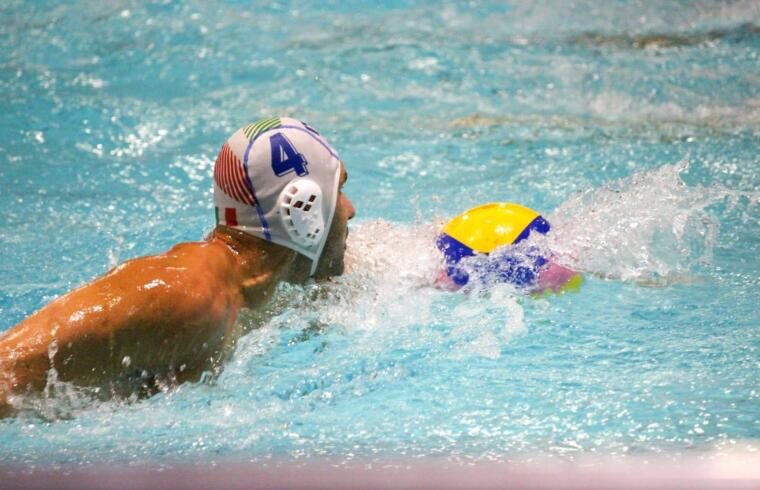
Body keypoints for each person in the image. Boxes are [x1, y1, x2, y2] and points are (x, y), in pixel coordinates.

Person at [0, 117, 355, 418]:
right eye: (338, 190)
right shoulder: (184, 293)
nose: (350, 209)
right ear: (304, 210)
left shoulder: (258, 287)